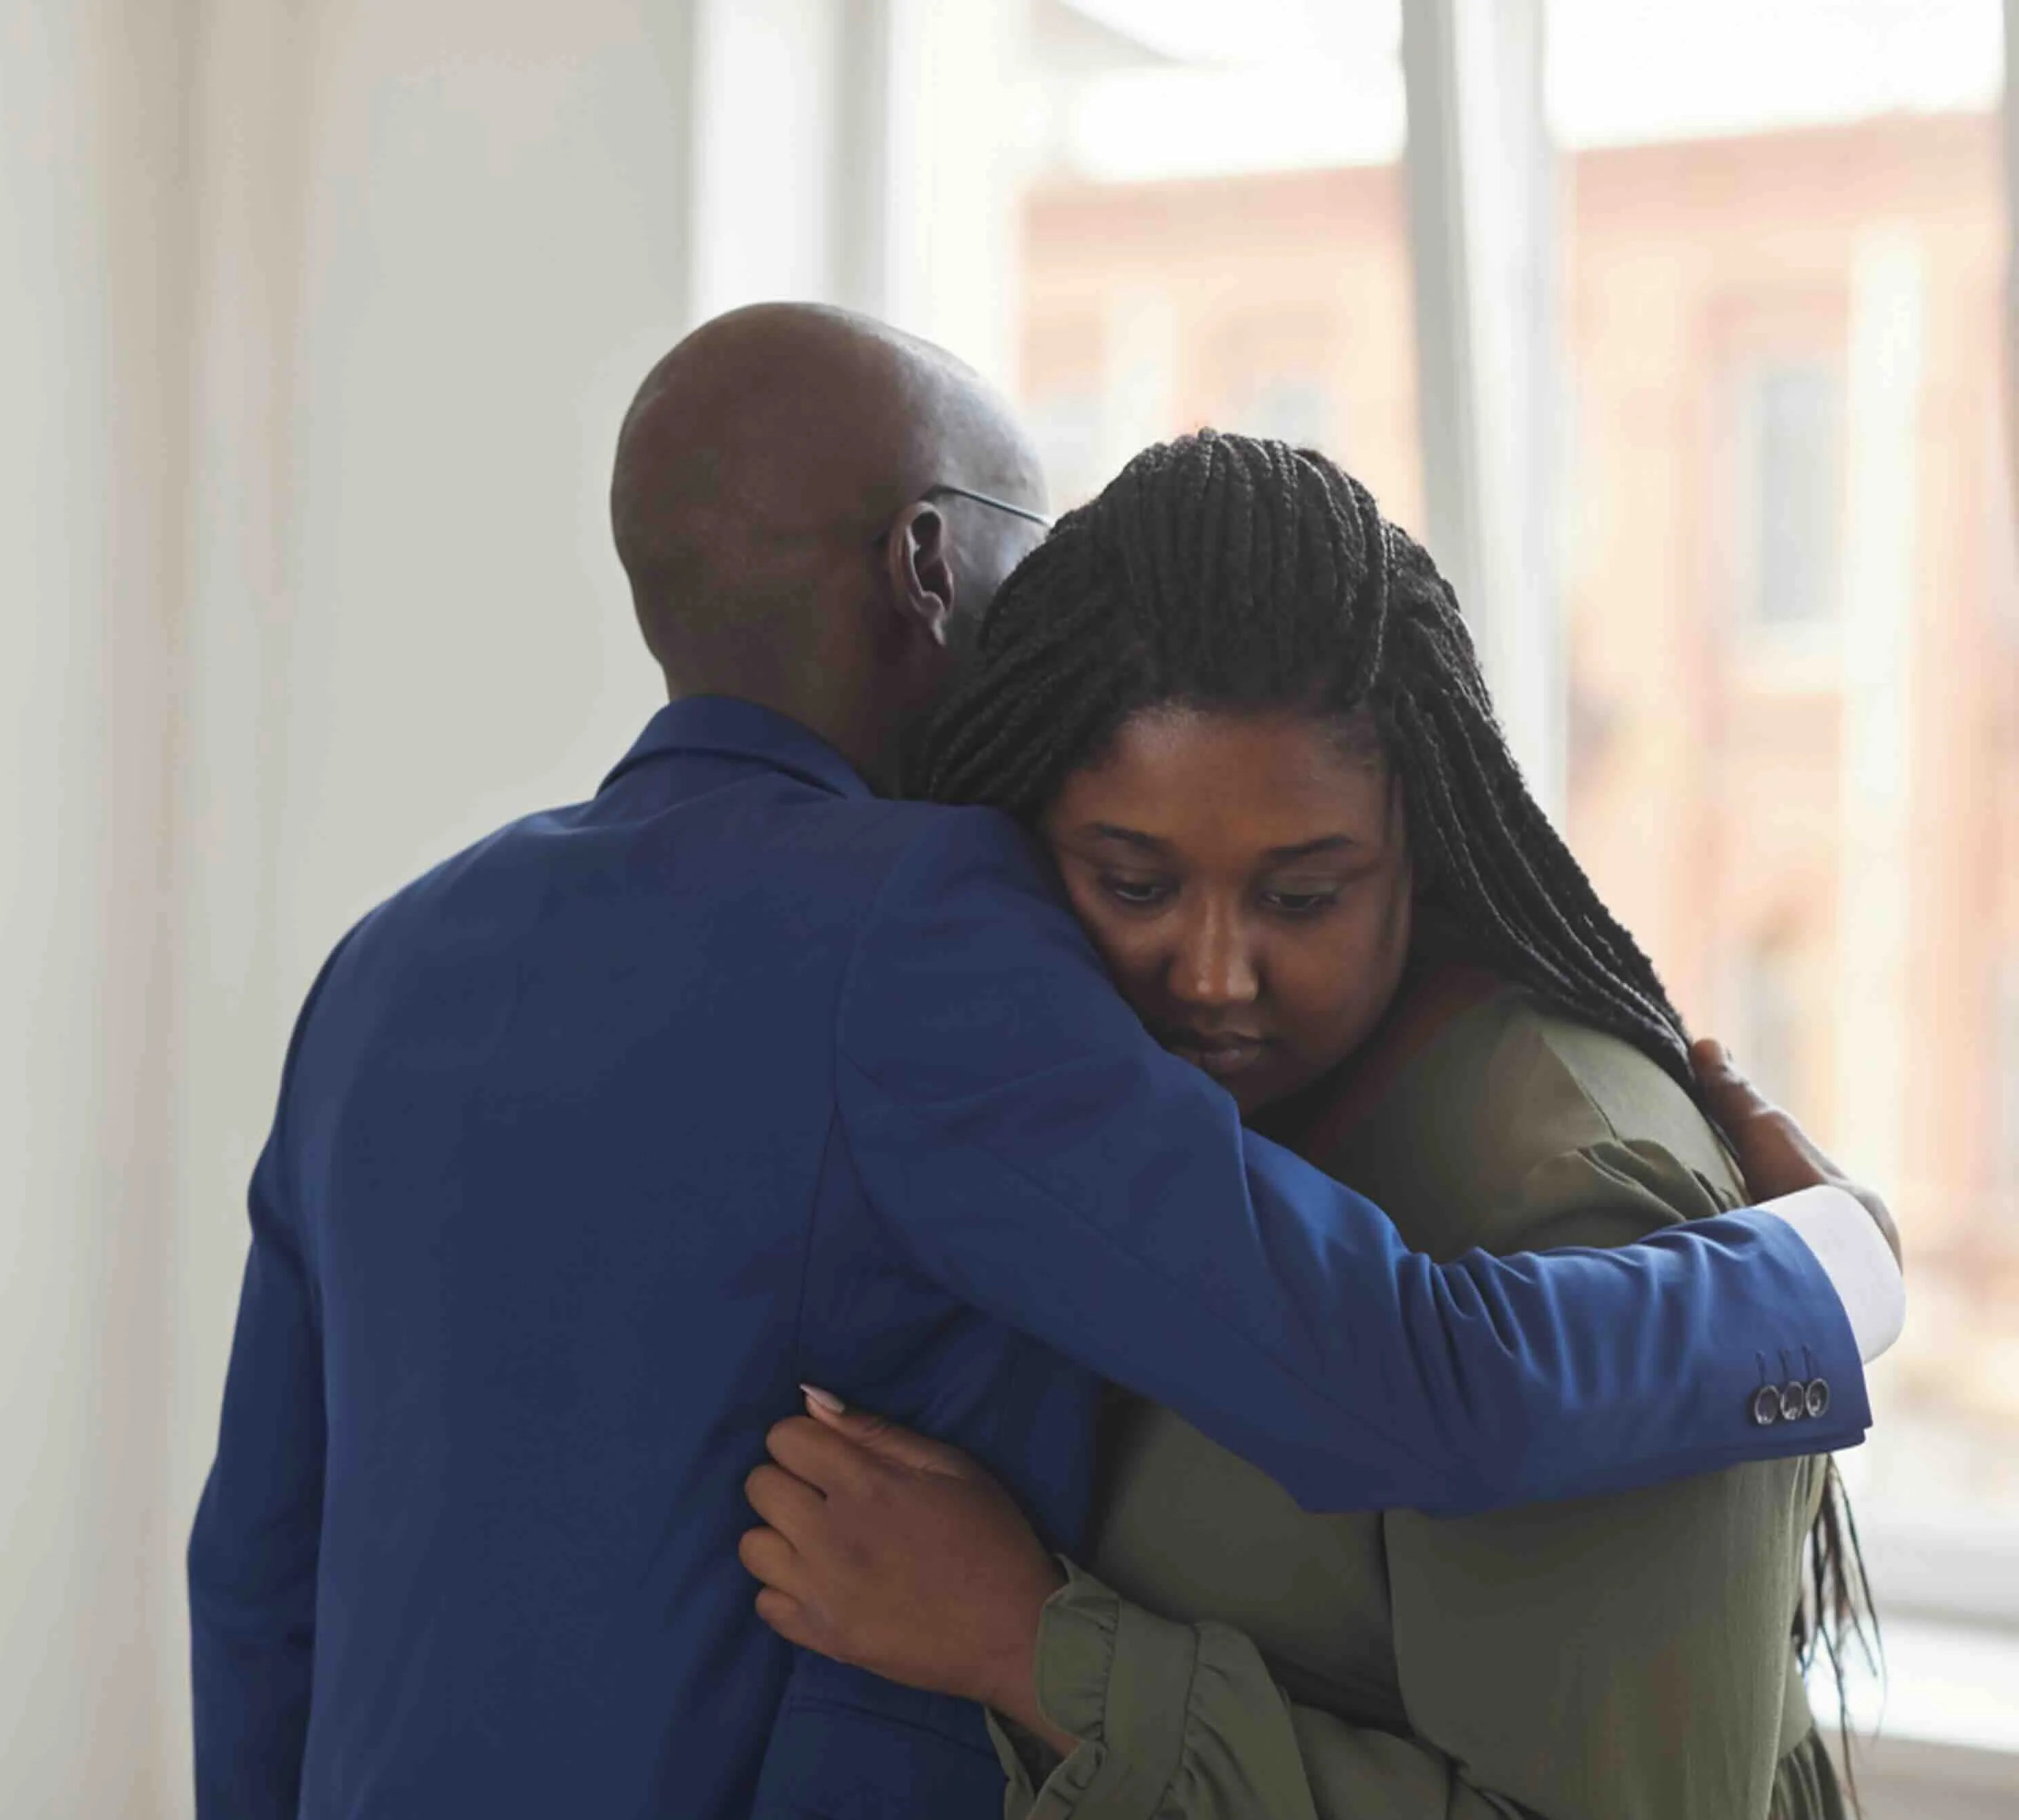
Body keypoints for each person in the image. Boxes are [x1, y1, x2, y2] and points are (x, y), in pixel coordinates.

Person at [185, 306, 1902, 1819]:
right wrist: (1828, 1269)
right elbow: (1408, 1381)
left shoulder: (388, 961)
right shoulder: (929, 926)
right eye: (1033, 545)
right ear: (930, 564)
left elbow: (255, 1582)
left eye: (1300, 885)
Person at [737, 431, 1868, 1819]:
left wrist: (1025, 1646)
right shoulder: (1084, 1105)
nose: (1211, 973)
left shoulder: (1569, 1200)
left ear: (1422, 843)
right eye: (1131, 882)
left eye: (1299, 895)